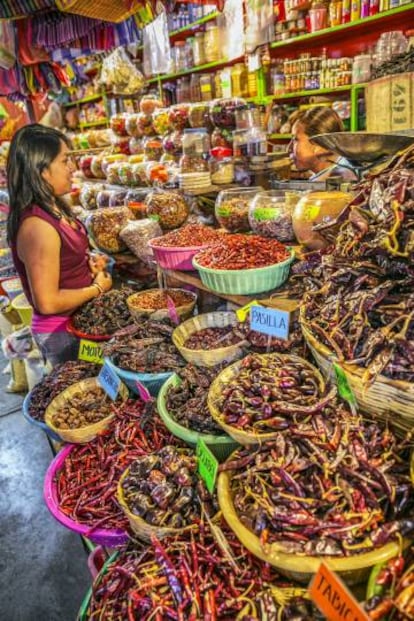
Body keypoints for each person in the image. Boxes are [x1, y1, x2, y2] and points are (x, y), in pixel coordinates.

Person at [7, 124, 112, 366]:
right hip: (63, 334)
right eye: (65, 161)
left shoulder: (53, 207)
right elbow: (47, 301)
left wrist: (88, 266)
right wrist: (97, 288)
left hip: (78, 322)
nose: (72, 168)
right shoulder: (37, 226)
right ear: (43, 170)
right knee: (85, 394)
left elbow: (63, 261)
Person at [287, 106, 358, 183]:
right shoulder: (323, 176)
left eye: (295, 140)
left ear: (320, 145)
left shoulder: (343, 176)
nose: (289, 148)